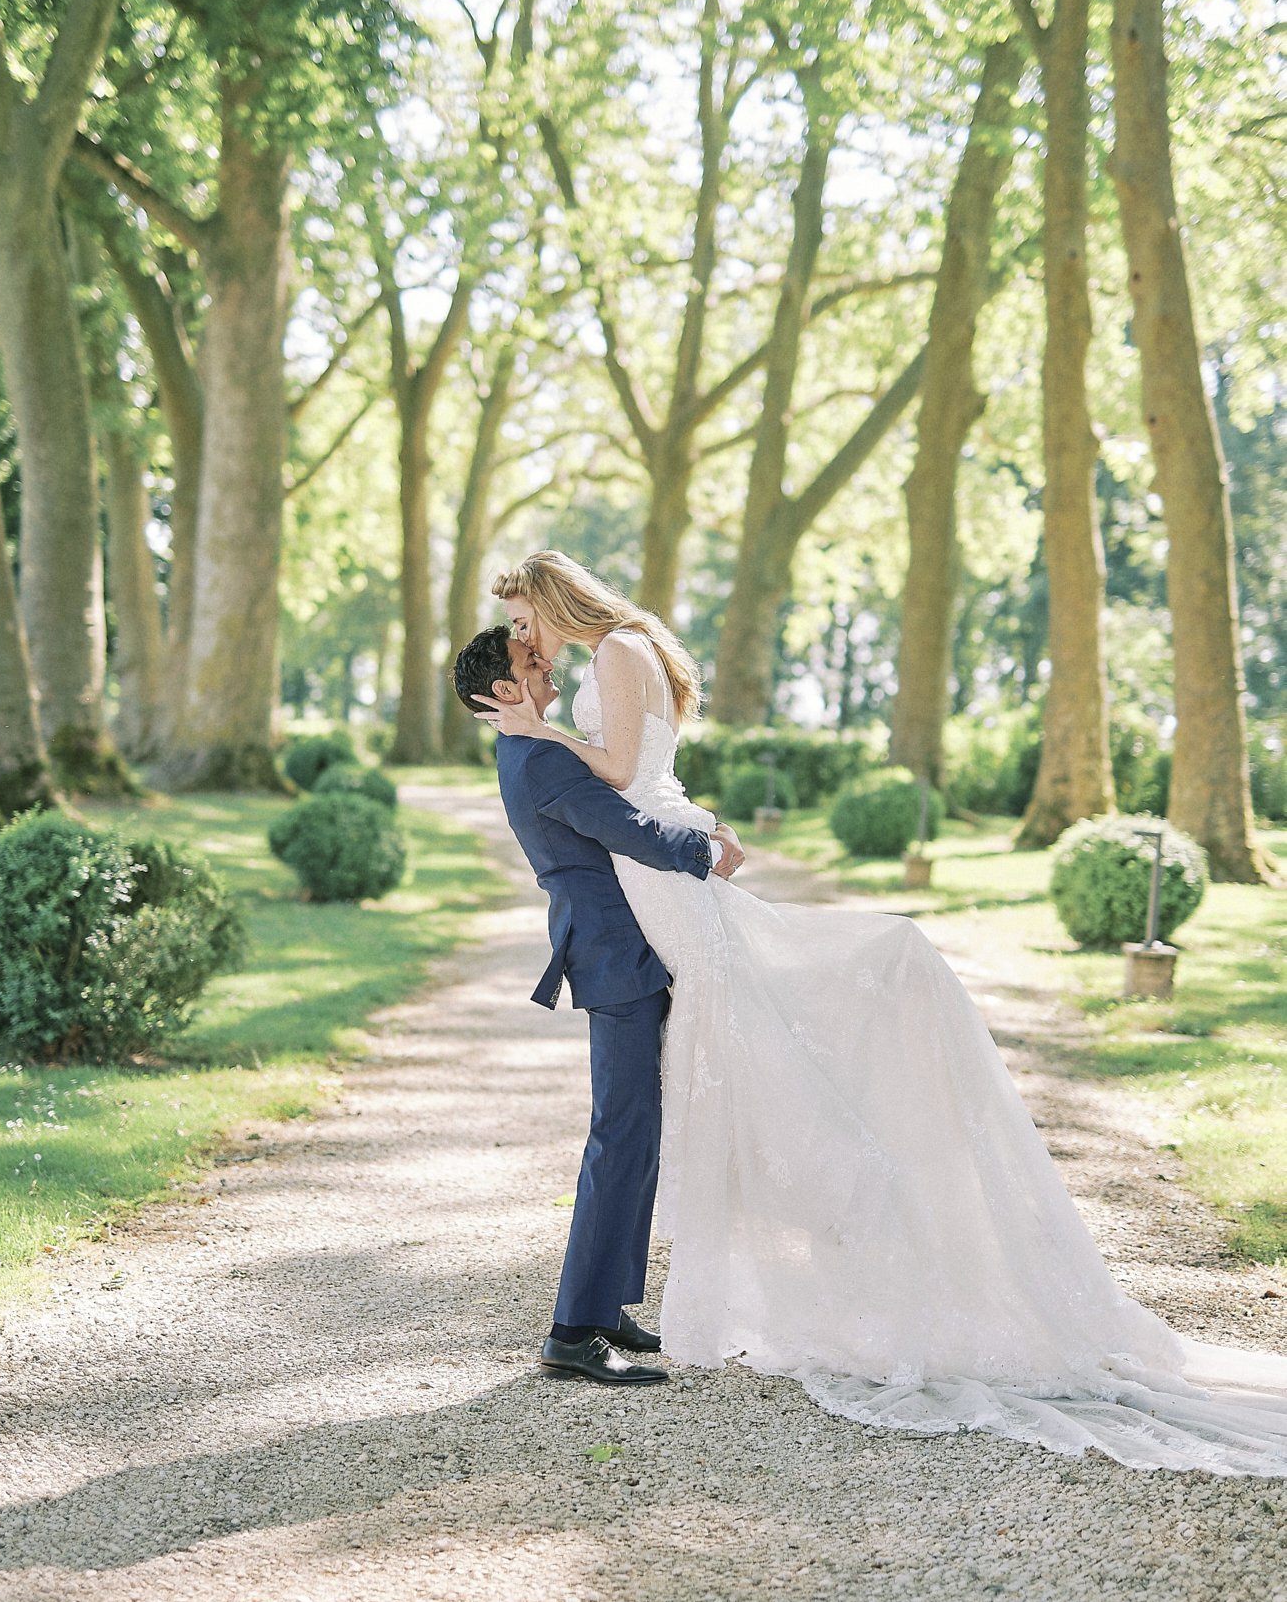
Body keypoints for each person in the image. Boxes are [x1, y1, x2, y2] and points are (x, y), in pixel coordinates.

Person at [471, 548, 1287, 1476]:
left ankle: (815, 1221)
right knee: (672, 1098)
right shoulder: (608, 662)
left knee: (720, 1071)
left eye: (525, 619)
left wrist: (557, 740)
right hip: (641, 913)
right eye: (515, 636)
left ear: (549, 599)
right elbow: (624, 795)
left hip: (658, 896)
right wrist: (659, 811)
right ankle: (592, 1318)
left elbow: (619, 774)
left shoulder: (612, 654)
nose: (523, 639)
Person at [451, 622, 744, 1388]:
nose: (545, 662)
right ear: (508, 690)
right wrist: (705, 849)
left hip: (620, 945)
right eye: (530, 661)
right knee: (620, 1131)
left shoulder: (529, 748)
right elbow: (624, 828)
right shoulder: (538, 756)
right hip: (612, 951)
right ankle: (573, 1329)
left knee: (636, 1129)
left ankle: (611, 1304)